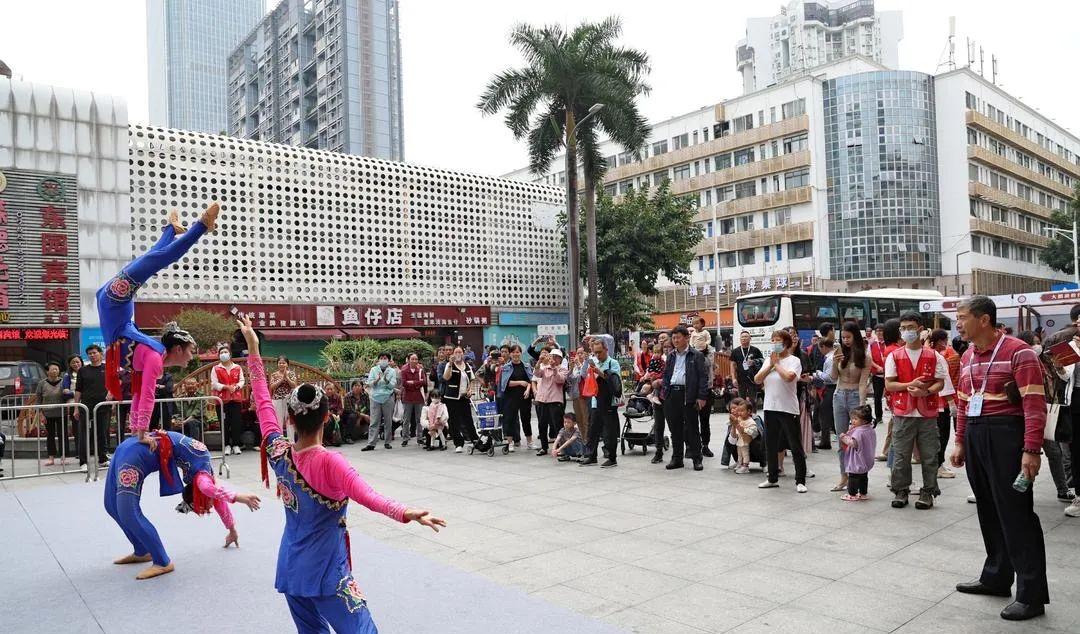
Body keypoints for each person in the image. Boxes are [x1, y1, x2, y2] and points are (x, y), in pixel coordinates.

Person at [233, 316, 445, 631]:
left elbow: (263, 400)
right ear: (328, 418)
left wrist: (253, 347)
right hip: (328, 571)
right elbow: (369, 497)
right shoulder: (332, 463)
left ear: (289, 419)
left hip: (291, 568)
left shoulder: (278, 451)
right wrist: (406, 512)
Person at [951, 295, 1048, 621]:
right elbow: (965, 402)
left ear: (984, 320)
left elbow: (1034, 405)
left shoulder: (1018, 352)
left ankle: (1031, 595)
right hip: (977, 434)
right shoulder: (966, 356)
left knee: (1017, 514)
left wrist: (1030, 450)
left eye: (963, 317)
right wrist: (960, 441)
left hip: (1007, 434)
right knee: (988, 508)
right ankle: (996, 576)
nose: (958, 323)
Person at [97, 206, 215, 450]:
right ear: (179, 348)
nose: (191, 357)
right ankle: (199, 225)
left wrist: (138, 431)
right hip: (116, 300)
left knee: (154, 259)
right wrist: (140, 433)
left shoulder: (153, 355)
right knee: (158, 258)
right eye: (191, 351)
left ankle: (175, 229)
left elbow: (142, 394)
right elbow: (146, 394)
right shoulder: (153, 356)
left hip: (115, 301)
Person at [105, 429, 261, 580]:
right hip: (135, 455)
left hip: (128, 447)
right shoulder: (203, 479)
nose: (211, 505)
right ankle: (161, 561)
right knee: (127, 512)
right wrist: (241, 497)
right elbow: (210, 490)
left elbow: (218, 500)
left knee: (112, 505)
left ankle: (143, 550)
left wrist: (232, 530)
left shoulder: (205, 470)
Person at [885, 311, 946, 510]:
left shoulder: (933, 355)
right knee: (901, 455)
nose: (906, 332)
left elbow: (940, 383)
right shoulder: (894, 356)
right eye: (903, 328)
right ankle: (901, 490)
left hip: (927, 413)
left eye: (910, 327)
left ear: (920, 329)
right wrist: (910, 385)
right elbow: (890, 385)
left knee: (929, 455)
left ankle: (928, 491)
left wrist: (926, 391)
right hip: (903, 412)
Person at [755, 329, 808, 493]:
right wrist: (770, 365)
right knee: (770, 444)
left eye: (777, 340)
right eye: (772, 340)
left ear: (786, 343)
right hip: (770, 407)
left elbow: (789, 377)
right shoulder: (768, 360)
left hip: (788, 408)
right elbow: (757, 379)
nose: (774, 343)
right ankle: (772, 477)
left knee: (795, 444)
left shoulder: (794, 361)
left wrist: (776, 365)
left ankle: (800, 480)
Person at [828, 323, 871, 492]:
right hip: (839, 395)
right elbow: (832, 378)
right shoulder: (839, 353)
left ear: (855, 337)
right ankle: (843, 476)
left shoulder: (865, 357)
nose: (845, 340)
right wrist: (833, 362)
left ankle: (858, 475)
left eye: (848, 337)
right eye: (843, 337)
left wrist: (861, 407)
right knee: (841, 438)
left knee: (857, 440)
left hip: (854, 396)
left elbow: (862, 383)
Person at [661, 325, 709, 472]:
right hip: (672, 395)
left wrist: (702, 397)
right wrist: (665, 391)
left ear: (686, 338)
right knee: (674, 429)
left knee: (692, 428)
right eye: (673, 338)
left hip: (688, 395)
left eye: (678, 337)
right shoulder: (671, 356)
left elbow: (703, 378)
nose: (675, 340)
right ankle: (677, 458)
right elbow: (667, 375)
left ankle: (697, 458)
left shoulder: (696, 355)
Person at [580, 334, 621, 468]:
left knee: (609, 431)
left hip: (609, 401)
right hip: (595, 400)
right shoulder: (594, 361)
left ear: (606, 350)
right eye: (595, 352)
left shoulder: (612, 363)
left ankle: (611, 457)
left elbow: (615, 382)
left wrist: (599, 372)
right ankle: (591, 456)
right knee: (593, 430)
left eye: (600, 352)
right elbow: (584, 376)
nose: (597, 355)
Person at [929, 329, 961, 480]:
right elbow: (945, 381)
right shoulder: (939, 357)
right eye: (944, 340)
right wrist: (951, 402)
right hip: (941, 403)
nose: (946, 343)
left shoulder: (929, 354)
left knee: (938, 435)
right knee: (942, 435)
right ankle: (938, 465)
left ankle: (937, 464)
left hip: (933, 401)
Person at [22, 362, 68, 465]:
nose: (55, 371)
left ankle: (63, 457)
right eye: (52, 369)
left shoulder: (63, 382)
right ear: (47, 371)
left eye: (57, 369)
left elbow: (67, 395)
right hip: (47, 414)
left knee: (63, 435)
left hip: (62, 413)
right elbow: (38, 400)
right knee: (50, 435)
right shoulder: (42, 383)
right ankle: (51, 458)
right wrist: (41, 414)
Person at [75, 344, 110, 468]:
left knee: (102, 433)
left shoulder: (107, 368)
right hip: (86, 406)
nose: (92, 355)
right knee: (84, 434)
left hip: (103, 406)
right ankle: (83, 462)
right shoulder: (83, 370)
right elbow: (78, 390)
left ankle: (102, 459)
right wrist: (76, 407)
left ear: (100, 353)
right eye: (90, 354)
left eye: (94, 353)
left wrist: (111, 397)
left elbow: (113, 385)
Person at [497, 344, 535, 453]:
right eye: (513, 352)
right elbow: (505, 383)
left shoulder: (526, 366)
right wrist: (520, 382)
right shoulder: (505, 367)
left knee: (526, 419)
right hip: (510, 398)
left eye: (517, 352)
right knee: (510, 419)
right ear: (510, 354)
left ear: (521, 353)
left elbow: (531, 380)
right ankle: (510, 443)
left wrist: (528, 389)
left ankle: (529, 442)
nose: (515, 354)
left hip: (524, 397)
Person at [875, 319, 903, 462]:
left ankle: (887, 452)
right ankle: (888, 453)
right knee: (896, 423)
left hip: (894, 391)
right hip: (897, 392)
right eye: (902, 328)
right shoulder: (894, 350)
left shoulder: (891, 348)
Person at [441, 346, 477, 452]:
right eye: (456, 352)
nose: (458, 354)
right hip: (451, 397)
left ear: (463, 354)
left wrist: (470, 390)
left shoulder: (467, 366)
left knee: (468, 419)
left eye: (460, 352)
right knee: (453, 421)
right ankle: (458, 443)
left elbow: (471, 380)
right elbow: (446, 378)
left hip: (464, 397)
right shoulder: (449, 364)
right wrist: (450, 364)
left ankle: (475, 439)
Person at [212, 344, 246, 455]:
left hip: (235, 399)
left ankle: (236, 445)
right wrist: (226, 387)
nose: (223, 354)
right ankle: (226, 445)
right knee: (224, 423)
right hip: (222, 401)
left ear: (230, 354)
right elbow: (214, 383)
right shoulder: (216, 368)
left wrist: (236, 387)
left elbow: (242, 381)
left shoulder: (237, 367)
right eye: (221, 353)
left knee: (236, 422)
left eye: (225, 352)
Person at [533, 348, 568, 456]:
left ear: (560, 359)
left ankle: (560, 447)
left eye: (557, 357)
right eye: (552, 356)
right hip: (543, 399)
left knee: (557, 425)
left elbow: (560, 380)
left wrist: (554, 368)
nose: (554, 359)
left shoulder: (563, 369)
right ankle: (544, 447)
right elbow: (536, 373)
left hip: (555, 400)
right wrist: (539, 361)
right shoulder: (544, 368)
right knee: (542, 424)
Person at [691, 318, 717, 457]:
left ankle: (705, 445)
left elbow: (710, 365)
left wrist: (703, 352)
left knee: (705, 420)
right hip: (692, 390)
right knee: (691, 420)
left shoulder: (710, 353)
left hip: (706, 390)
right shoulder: (691, 354)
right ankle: (693, 446)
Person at [362, 353, 398, 451]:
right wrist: (377, 380)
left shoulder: (392, 371)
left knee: (388, 421)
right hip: (375, 398)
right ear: (378, 360)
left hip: (388, 398)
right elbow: (370, 383)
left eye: (385, 358)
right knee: (374, 421)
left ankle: (387, 442)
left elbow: (392, 386)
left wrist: (386, 380)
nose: (383, 360)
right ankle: (371, 443)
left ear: (389, 360)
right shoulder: (374, 370)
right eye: (381, 358)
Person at [839, 405, 876, 501]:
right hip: (866, 458)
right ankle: (863, 493)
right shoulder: (869, 429)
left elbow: (853, 443)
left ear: (864, 421)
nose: (853, 421)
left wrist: (844, 437)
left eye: (855, 419)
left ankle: (852, 494)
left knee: (853, 477)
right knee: (863, 477)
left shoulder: (859, 431)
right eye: (852, 419)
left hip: (856, 460)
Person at [399, 353, 427, 447]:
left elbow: (424, 382)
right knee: (406, 419)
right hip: (407, 397)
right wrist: (416, 384)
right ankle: (405, 438)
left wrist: (413, 383)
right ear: (408, 360)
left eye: (416, 359)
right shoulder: (404, 370)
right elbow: (404, 383)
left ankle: (419, 438)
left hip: (419, 397)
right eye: (412, 359)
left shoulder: (420, 370)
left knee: (419, 419)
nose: (414, 361)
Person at [729, 331, 763, 407]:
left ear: (750, 338)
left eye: (746, 337)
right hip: (740, 379)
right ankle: (742, 417)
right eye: (742, 337)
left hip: (752, 378)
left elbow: (762, 361)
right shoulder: (735, 351)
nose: (744, 338)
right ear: (740, 339)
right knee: (741, 400)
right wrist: (734, 378)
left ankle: (753, 416)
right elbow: (732, 365)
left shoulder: (755, 350)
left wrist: (754, 362)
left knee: (752, 400)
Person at [727, 397, 759, 474]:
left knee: (745, 453)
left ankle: (745, 465)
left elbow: (751, 436)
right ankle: (739, 463)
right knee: (739, 452)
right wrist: (733, 426)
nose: (733, 411)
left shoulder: (753, 420)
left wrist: (737, 425)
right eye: (731, 409)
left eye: (735, 408)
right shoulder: (737, 419)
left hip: (750, 443)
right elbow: (732, 441)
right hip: (740, 441)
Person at [270, 356, 299, 438]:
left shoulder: (291, 374)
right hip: (277, 400)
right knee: (278, 420)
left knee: (289, 420)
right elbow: (272, 387)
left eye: (283, 363)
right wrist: (282, 379)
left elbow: (294, 385)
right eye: (280, 363)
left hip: (289, 399)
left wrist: (287, 378)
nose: (281, 364)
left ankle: (291, 441)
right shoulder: (274, 375)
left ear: (287, 364)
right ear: (277, 364)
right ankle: (279, 441)